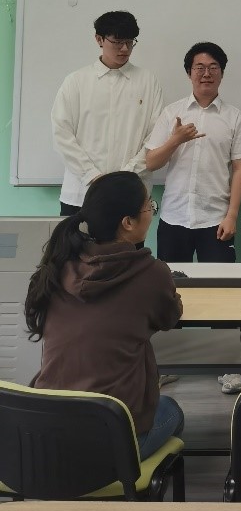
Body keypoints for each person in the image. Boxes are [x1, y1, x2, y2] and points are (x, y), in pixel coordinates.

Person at [25, 171, 184, 459]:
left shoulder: (59, 265)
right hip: (110, 443)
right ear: (128, 222)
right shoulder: (151, 273)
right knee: (172, 411)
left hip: (46, 432)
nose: (152, 213)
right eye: (149, 206)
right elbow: (169, 317)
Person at [145, 42, 241, 263]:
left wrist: (232, 216)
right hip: (174, 217)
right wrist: (175, 140)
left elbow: (240, 169)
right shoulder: (172, 113)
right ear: (189, 73)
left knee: (219, 282)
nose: (206, 74)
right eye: (199, 68)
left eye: (213, 68)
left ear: (222, 73)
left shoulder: (235, 117)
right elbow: (151, 163)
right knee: (171, 281)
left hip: (216, 220)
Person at [51, 11, 164, 215]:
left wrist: (125, 177)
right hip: (81, 194)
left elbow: (155, 136)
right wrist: (92, 176)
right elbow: (62, 135)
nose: (125, 49)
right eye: (117, 42)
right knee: (78, 238)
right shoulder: (76, 81)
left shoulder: (147, 81)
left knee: (128, 239)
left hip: (131, 194)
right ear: (99, 39)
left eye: (130, 42)